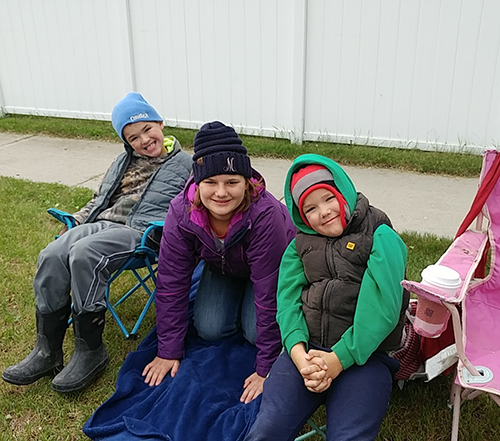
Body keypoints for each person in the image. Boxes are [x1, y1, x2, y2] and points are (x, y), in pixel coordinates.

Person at [2, 92, 192, 393]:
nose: (144, 140)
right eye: (133, 138)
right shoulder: (122, 161)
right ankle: (47, 351)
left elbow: (192, 207)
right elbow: (100, 199)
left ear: (160, 123)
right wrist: (77, 220)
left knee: (84, 253)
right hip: (102, 223)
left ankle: (90, 351)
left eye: (147, 129)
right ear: (126, 143)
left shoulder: (186, 163)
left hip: (142, 232)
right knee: (51, 254)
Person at [245, 154, 410, 440]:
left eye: (328, 198)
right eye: (310, 208)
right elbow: (287, 303)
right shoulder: (299, 245)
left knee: (349, 435)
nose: (323, 212)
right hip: (307, 351)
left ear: (343, 193)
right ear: (300, 215)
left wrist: (337, 361)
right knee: (266, 429)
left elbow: (382, 309)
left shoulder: (380, 234)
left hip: (365, 358)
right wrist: (298, 355)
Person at [142, 121, 296, 403]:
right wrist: (168, 350)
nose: (221, 192)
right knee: (210, 328)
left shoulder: (265, 216)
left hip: (271, 272)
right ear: (197, 182)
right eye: (211, 182)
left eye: (232, 182)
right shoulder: (181, 212)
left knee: (254, 333)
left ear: (247, 181)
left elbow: (269, 290)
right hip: (224, 267)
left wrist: (266, 368)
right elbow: (171, 282)